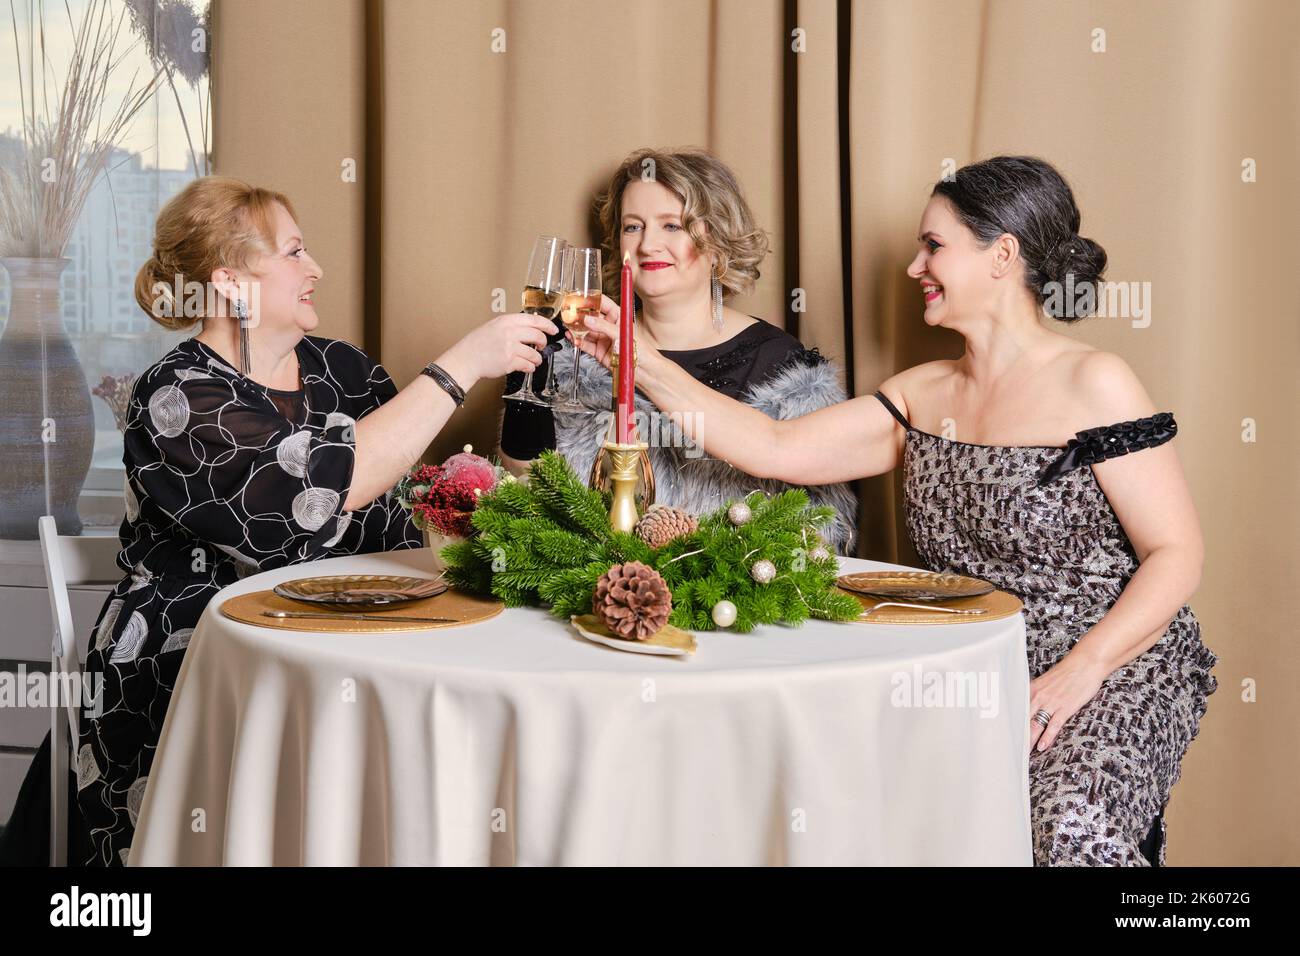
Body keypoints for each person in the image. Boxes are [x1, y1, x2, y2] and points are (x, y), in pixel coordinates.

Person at [575, 156, 1218, 866]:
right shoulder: (923, 394)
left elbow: (1177, 554)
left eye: (934, 247)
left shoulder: (1096, 382)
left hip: (1111, 663)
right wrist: (632, 355)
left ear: (1002, 255)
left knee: (1064, 832)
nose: (915, 267)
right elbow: (773, 447)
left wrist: (1084, 668)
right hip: (972, 664)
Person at [0, 176, 556, 866]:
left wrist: (532, 401)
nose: (315, 268)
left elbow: (420, 499)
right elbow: (308, 501)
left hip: (360, 643)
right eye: (294, 252)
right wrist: (459, 366)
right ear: (231, 283)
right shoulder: (175, 396)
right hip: (201, 657)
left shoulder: (345, 371)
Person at [498, 147, 858, 553]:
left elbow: (823, 532)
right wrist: (526, 380)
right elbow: (523, 493)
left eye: (672, 225)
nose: (648, 243)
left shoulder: (784, 370)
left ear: (719, 240)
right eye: (633, 227)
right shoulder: (575, 349)